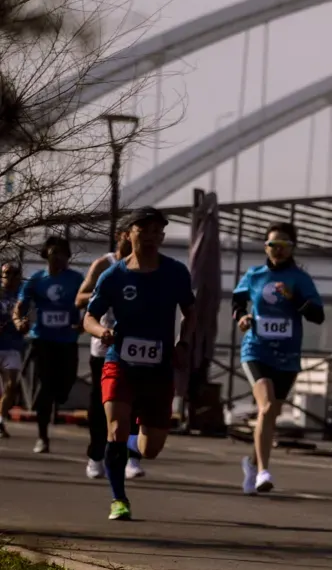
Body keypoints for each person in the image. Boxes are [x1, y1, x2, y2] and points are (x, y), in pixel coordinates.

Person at [83, 207, 197, 521]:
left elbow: (191, 311)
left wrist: (183, 343)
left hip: (159, 369)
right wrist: (101, 331)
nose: (150, 238)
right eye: (143, 231)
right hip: (120, 361)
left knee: (150, 449)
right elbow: (89, 316)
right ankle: (119, 499)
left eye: (156, 233)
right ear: (128, 233)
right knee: (116, 428)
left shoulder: (175, 272)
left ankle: (135, 436)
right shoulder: (114, 275)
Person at [232, 223, 325, 495]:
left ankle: (251, 463)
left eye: (284, 244)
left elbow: (318, 316)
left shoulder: (300, 279)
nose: (279, 249)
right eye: (273, 244)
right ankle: (263, 471)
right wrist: (242, 317)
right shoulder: (254, 275)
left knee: (269, 414)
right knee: (266, 405)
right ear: (265, 247)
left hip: (287, 355)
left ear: (292, 248)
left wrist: (294, 299)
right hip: (256, 349)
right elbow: (237, 302)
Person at [15, 237, 86, 454]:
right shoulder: (36, 280)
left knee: (64, 385)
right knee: (46, 387)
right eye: (54, 252)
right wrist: (20, 321)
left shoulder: (76, 279)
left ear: (68, 256)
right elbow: (20, 306)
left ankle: (57, 396)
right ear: (46, 254)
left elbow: (89, 303)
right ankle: (42, 437)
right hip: (43, 339)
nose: (58, 257)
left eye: (63, 253)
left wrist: (83, 323)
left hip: (68, 340)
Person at [76, 229, 133, 478]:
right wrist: (107, 292)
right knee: (100, 406)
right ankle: (95, 456)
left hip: (135, 347)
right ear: (123, 235)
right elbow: (80, 298)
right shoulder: (104, 264)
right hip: (104, 347)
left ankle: (130, 458)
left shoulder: (151, 266)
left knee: (133, 404)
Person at [0, 262, 24, 441]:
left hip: (12, 345)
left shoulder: (22, 295)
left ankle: (0, 420)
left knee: (11, 385)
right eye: (6, 274)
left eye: (13, 274)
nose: (9, 278)